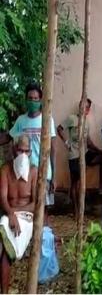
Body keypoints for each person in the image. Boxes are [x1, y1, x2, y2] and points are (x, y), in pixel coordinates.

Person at [9, 82, 56, 222]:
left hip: (43, 172)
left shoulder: (47, 120)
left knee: (43, 207)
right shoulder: (21, 121)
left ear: (40, 100)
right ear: (26, 99)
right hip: (25, 173)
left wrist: (54, 176)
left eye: (36, 99)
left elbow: (53, 149)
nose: (33, 101)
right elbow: (10, 138)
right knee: (28, 207)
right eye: (30, 98)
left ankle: (43, 237)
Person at [57, 98, 102, 216]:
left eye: (85, 107)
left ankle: (101, 185)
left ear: (88, 110)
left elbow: (88, 141)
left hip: (85, 153)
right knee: (76, 182)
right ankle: (76, 209)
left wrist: (98, 150)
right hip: (74, 155)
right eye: (81, 105)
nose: (82, 108)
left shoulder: (86, 122)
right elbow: (59, 129)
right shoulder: (72, 119)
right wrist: (66, 143)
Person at [0, 135, 36, 293]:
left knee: (5, 251)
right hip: (8, 215)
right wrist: (10, 214)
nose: (23, 154)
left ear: (30, 153)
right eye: (20, 150)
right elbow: (2, 197)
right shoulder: (6, 170)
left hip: (26, 219)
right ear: (15, 150)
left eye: (26, 151)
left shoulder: (34, 172)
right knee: (2, 246)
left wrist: (14, 214)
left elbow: (35, 204)